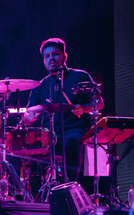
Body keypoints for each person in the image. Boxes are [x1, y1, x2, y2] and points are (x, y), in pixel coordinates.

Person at [23, 37, 103, 183]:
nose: (51, 58)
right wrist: (29, 117)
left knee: (69, 142)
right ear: (43, 60)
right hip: (49, 134)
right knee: (27, 150)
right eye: (47, 56)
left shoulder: (80, 76)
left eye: (55, 54)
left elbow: (99, 103)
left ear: (65, 56)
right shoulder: (40, 86)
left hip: (74, 129)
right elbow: (27, 116)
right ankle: (37, 190)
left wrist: (84, 109)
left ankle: (70, 185)